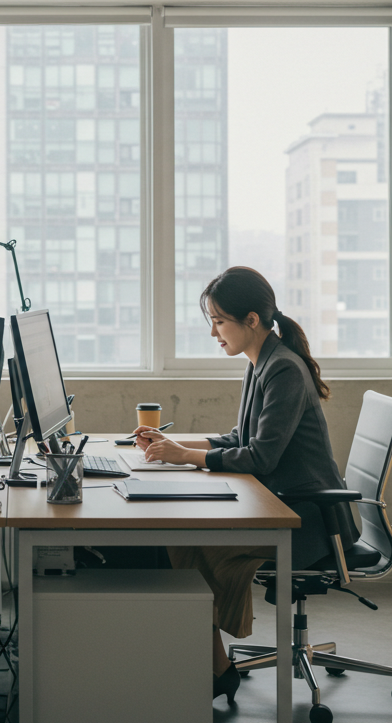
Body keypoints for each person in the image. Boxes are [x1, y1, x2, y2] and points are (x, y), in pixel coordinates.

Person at [133, 266, 354, 704]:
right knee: (183, 542)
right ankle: (214, 665)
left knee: (187, 547)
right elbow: (241, 439)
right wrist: (178, 444)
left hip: (308, 519)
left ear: (251, 320)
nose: (214, 332)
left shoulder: (284, 370)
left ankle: (215, 669)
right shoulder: (262, 361)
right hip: (281, 504)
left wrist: (186, 457)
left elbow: (261, 457)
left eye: (219, 321)